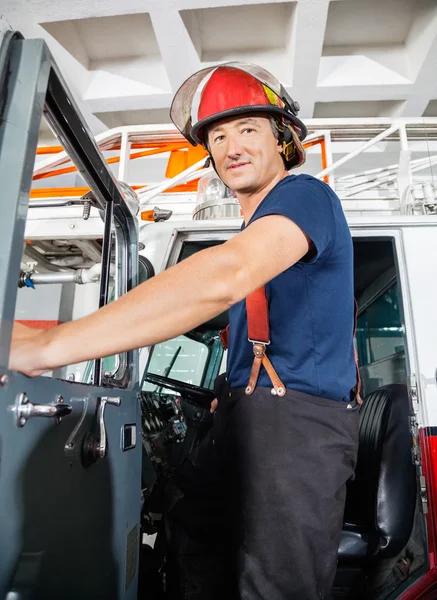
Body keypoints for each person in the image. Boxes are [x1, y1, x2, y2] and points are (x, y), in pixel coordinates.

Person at [9, 63, 360, 599]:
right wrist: (227, 395)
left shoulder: (304, 196)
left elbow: (225, 276)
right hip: (248, 415)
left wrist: (47, 346)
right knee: (194, 530)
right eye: (218, 136)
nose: (231, 146)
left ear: (283, 139)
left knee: (276, 588)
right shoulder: (257, 224)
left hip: (298, 430)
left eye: (248, 129)